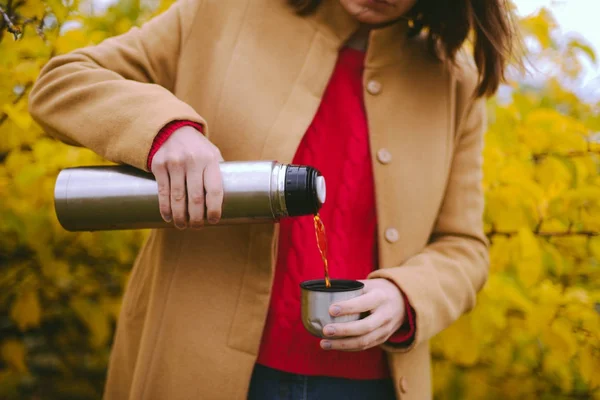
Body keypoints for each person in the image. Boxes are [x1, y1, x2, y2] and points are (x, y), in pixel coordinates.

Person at [29, 0, 515, 398]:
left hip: (373, 387)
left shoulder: (455, 82)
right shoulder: (221, 14)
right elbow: (62, 82)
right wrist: (164, 130)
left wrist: (407, 295)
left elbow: (463, 247)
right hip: (198, 373)